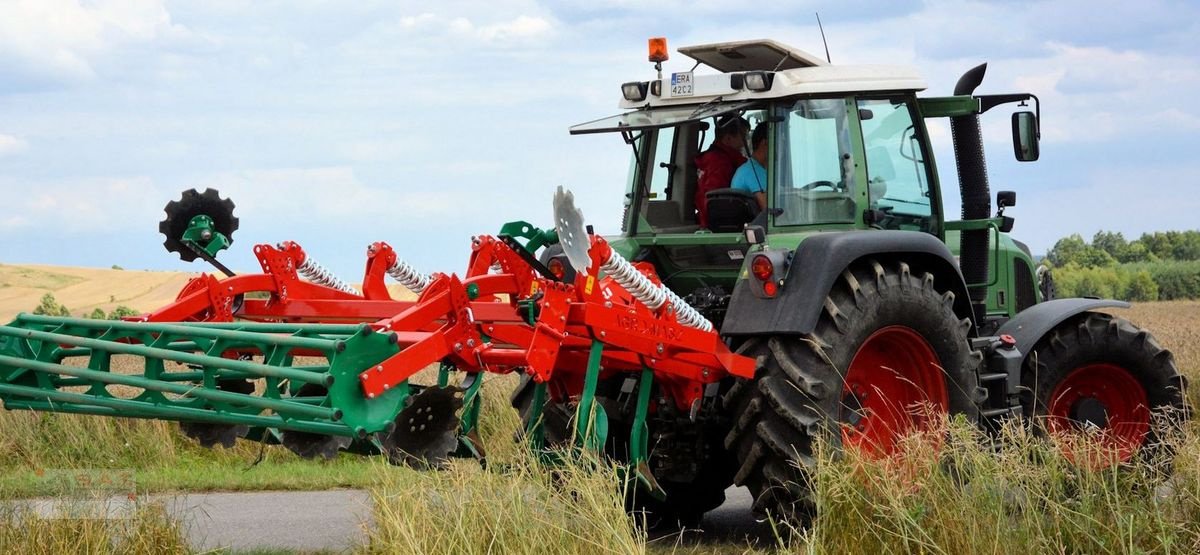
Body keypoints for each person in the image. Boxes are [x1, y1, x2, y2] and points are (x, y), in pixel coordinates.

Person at [694, 115, 748, 228]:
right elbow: (715, 201)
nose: (745, 143)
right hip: (720, 225)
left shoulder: (710, 159)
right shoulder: (720, 163)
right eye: (743, 137)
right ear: (728, 139)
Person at [731, 122, 769, 210]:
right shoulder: (754, 172)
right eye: (781, 142)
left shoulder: (749, 169)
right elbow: (769, 211)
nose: (783, 148)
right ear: (765, 143)